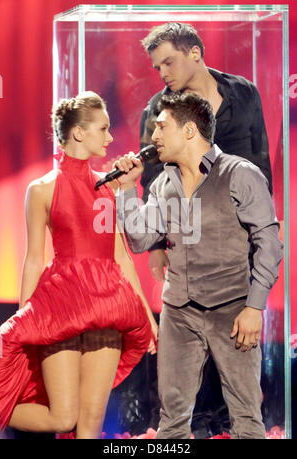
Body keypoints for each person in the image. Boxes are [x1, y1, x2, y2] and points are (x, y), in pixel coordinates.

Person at [114, 92, 283, 439]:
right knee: (172, 422)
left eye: (161, 127)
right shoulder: (163, 183)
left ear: (190, 131)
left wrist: (254, 307)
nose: (153, 136)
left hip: (234, 309)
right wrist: (128, 190)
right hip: (179, 310)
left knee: (247, 418)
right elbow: (141, 240)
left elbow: (269, 243)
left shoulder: (240, 174)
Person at [138, 22, 273, 436]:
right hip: (186, 243)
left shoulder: (243, 92)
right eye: (157, 66)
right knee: (179, 388)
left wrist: (268, 224)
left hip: (240, 230)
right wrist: (157, 243)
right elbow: (153, 181)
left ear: (195, 52)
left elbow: (261, 154)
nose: (162, 72)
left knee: (240, 367)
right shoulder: (157, 110)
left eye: (168, 61)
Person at [0, 91, 157, 439]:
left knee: (90, 425)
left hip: (108, 305)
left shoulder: (109, 187)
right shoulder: (41, 189)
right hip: (61, 309)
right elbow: (34, 259)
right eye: (103, 128)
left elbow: (120, 257)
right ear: (79, 133)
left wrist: (145, 312)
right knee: (63, 418)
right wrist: (29, 319)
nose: (111, 137)